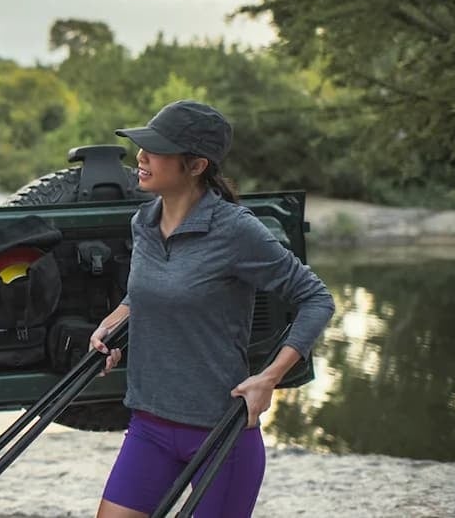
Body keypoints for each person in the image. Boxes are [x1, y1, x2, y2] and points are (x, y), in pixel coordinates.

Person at [89, 100, 335, 518]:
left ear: (197, 165)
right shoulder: (143, 223)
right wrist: (113, 324)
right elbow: (150, 292)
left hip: (221, 432)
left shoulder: (235, 230)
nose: (141, 157)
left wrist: (269, 379)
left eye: (157, 149)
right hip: (149, 425)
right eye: (142, 147)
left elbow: (316, 298)